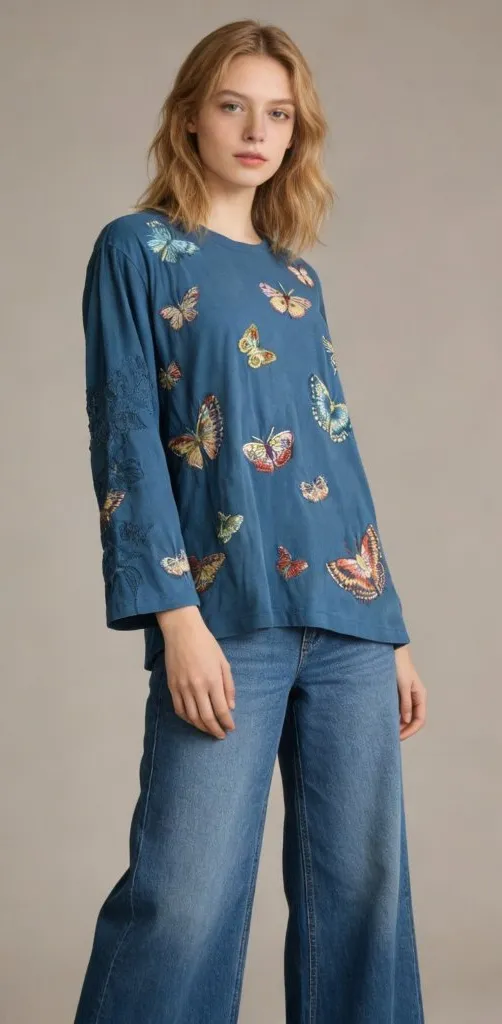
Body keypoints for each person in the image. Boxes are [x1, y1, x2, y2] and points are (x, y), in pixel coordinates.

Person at [74, 18, 427, 1024]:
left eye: (278, 113)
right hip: (225, 615)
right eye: (233, 105)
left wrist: (392, 629)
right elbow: (127, 439)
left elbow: (332, 453)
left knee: (363, 895)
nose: (256, 130)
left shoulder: (295, 279)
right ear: (191, 115)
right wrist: (174, 618)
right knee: (182, 900)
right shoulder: (138, 249)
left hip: (349, 621)